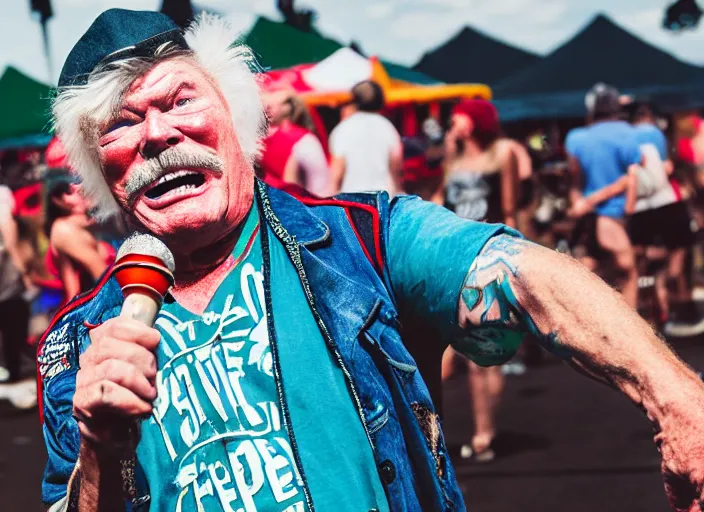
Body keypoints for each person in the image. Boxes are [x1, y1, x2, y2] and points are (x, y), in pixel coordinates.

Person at [40, 10, 704, 512]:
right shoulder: (74, 346)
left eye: (180, 99)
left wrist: (676, 399)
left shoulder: (362, 242)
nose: (159, 133)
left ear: (233, 114)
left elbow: (526, 276)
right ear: (101, 167)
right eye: (122, 123)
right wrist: (98, 448)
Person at [439, 99, 520, 462]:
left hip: (491, 257)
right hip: (457, 258)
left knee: (487, 351)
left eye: (458, 115)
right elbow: (441, 205)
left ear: (472, 122)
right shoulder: (452, 161)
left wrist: (517, 259)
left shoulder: (502, 155)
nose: (452, 120)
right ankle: (479, 430)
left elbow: (510, 206)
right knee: (464, 350)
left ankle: (487, 430)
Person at [566, 83, 642, 308]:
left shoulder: (576, 138)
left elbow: (575, 183)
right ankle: (631, 332)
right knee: (628, 272)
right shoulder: (629, 133)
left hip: (588, 217)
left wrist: (582, 203)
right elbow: (632, 178)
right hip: (614, 216)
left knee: (591, 268)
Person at [627, 103, 699, 335]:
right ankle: (673, 296)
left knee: (641, 259)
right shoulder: (654, 134)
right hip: (667, 202)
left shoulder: (627, 136)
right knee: (679, 250)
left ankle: (656, 303)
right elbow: (668, 166)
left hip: (638, 208)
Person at [44, 174, 115, 305]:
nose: (78, 191)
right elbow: (104, 278)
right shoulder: (64, 229)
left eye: (81, 182)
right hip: (101, 307)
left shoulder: (94, 220)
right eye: (68, 191)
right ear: (57, 201)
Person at [329, 80, 403, 195]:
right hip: (384, 197)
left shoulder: (343, 129)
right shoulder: (387, 127)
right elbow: (396, 166)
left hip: (352, 198)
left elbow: (337, 171)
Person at [0, 184, 38, 409]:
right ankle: (14, 373)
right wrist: (24, 275)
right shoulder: (4, 199)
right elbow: (11, 239)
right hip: (6, 279)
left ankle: (12, 370)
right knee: (14, 324)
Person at [259, 90, 330, 196]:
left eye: (271, 105)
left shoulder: (302, 139)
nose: (266, 107)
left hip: (284, 201)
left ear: (287, 108)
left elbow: (319, 184)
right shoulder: (258, 139)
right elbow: (320, 184)